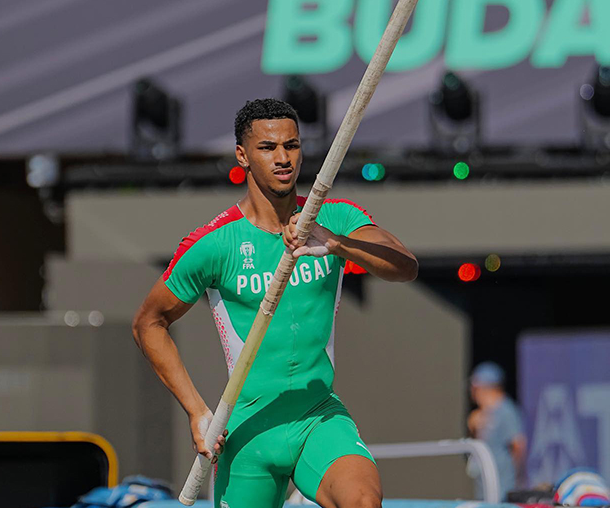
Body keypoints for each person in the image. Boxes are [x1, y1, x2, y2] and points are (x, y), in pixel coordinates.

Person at [132, 98, 418, 508]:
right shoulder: (215, 244)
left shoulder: (335, 219)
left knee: (363, 502)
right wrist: (196, 411)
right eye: (268, 148)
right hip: (248, 429)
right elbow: (148, 323)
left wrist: (336, 244)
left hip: (318, 417)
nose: (283, 158)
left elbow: (404, 266)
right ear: (242, 155)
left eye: (292, 145)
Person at [467, 361, 526, 501]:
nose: (472, 392)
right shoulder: (482, 413)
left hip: (502, 486)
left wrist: (516, 478)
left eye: (475, 387)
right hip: (483, 485)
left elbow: (518, 445)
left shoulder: (506, 410)